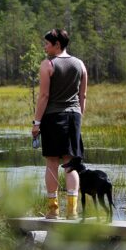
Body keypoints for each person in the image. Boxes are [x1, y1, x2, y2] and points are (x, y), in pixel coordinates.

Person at [31, 29, 88, 219]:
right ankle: (72, 212)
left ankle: (53, 210)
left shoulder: (48, 64)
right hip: (74, 117)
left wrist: (36, 123)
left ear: (57, 44)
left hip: (54, 118)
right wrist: (79, 115)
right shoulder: (80, 64)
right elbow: (83, 96)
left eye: (47, 43)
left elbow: (44, 96)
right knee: (70, 164)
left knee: (52, 163)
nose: (45, 46)